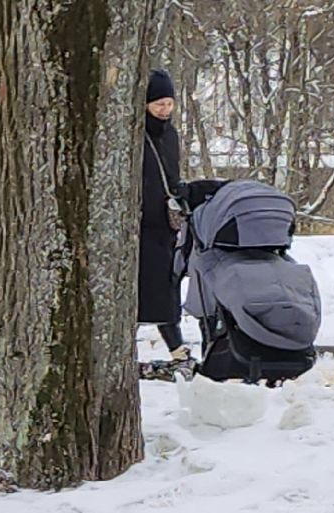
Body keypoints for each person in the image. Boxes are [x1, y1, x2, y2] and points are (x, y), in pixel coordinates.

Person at [139, 69, 189, 377]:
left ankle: (177, 348)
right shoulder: (136, 135)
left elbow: (172, 175)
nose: (164, 110)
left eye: (169, 103)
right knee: (142, 289)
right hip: (141, 224)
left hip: (166, 224)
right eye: (158, 103)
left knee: (166, 288)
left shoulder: (170, 136)